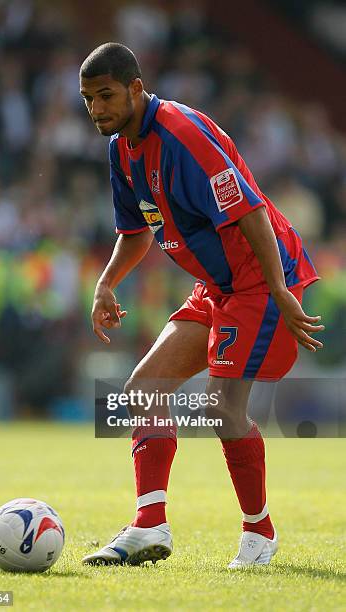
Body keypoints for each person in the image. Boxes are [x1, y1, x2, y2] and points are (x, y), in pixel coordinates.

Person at [79, 43, 323, 568]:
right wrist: (106, 283)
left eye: (106, 96)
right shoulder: (121, 148)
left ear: (136, 88)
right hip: (218, 284)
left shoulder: (185, 137)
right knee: (143, 389)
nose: (97, 109)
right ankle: (149, 526)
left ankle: (259, 533)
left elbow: (250, 212)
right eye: (88, 100)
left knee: (220, 407)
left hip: (259, 278)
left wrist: (280, 288)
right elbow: (136, 231)